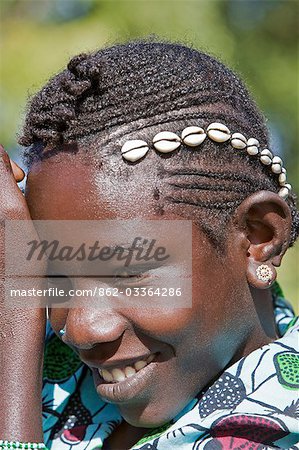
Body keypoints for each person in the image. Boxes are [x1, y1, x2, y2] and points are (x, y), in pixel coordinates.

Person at [0, 40, 298, 450]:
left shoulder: (275, 431)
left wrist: (13, 360)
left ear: (258, 237)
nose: (82, 329)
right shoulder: (58, 376)